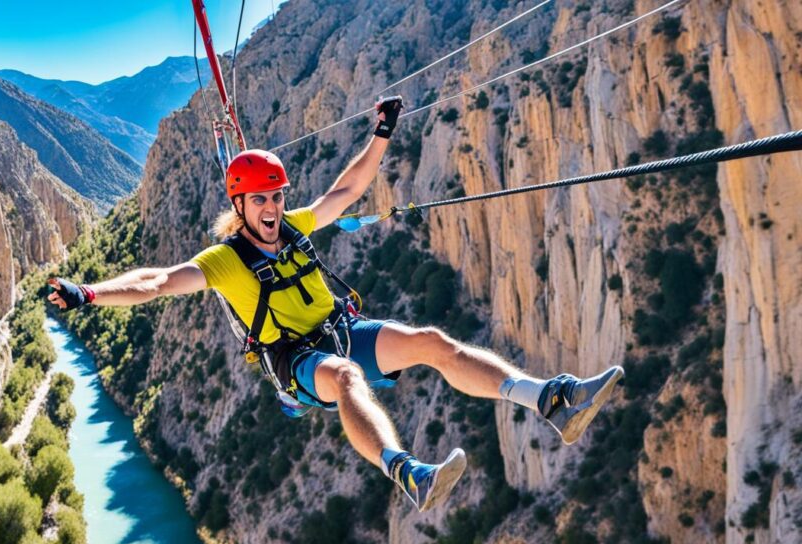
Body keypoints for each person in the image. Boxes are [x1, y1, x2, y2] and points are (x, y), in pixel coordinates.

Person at [47, 97, 623, 512]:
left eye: (277, 196)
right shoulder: (225, 261)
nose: (274, 206)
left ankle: (548, 398)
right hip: (299, 363)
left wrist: (382, 133)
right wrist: (90, 293)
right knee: (347, 377)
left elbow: (345, 191)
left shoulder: (294, 226)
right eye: (262, 199)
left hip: (341, 329)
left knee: (432, 343)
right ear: (240, 204)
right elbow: (156, 281)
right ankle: (408, 474)